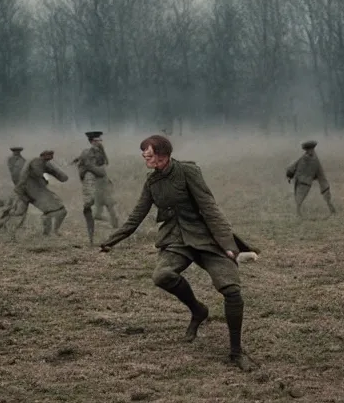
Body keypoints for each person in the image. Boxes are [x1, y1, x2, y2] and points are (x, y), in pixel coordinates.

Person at [99, 135, 260, 372]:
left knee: (232, 291)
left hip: (206, 238)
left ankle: (236, 352)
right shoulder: (152, 182)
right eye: (144, 153)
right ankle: (198, 310)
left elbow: (210, 208)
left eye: (149, 154)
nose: (145, 157)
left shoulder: (188, 172)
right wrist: (112, 240)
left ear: (164, 154)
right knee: (161, 276)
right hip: (176, 239)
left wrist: (228, 245)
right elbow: (136, 215)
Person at [1, 150, 70, 241]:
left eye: (52, 154)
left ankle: (49, 232)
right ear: (43, 155)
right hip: (30, 192)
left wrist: (59, 172)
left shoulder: (45, 163)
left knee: (56, 211)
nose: (51, 156)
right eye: (49, 154)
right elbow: (38, 175)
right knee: (19, 213)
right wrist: (47, 177)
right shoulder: (36, 161)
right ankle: (8, 231)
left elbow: (62, 177)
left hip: (33, 192)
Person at [72, 131, 119, 245]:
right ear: (92, 141)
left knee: (110, 203)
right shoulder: (88, 152)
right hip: (95, 182)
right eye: (98, 140)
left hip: (103, 181)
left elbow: (104, 163)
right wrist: (100, 172)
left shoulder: (99, 151)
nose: (100, 142)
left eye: (100, 140)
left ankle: (115, 227)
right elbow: (88, 166)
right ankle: (103, 228)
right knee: (102, 203)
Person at [285, 140, 337, 217]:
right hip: (300, 182)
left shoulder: (315, 161)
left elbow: (321, 175)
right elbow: (292, 168)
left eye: (312, 149)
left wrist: (325, 187)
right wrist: (289, 176)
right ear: (306, 150)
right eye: (308, 150)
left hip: (307, 183)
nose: (310, 151)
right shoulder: (302, 159)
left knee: (304, 198)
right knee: (299, 199)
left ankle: (329, 207)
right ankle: (299, 212)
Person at [0, 147, 29, 236]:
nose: (16, 153)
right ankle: (6, 230)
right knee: (16, 211)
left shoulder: (9, 160)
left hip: (10, 189)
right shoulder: (22, 161)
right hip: (15, 189)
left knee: (9, 210)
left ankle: (0, 228)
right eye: (16, 152)